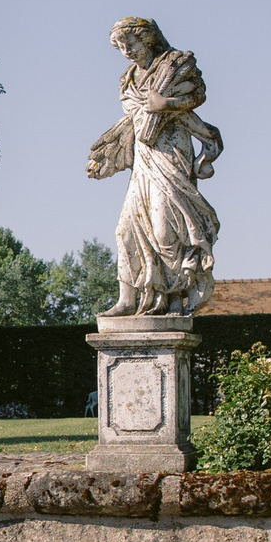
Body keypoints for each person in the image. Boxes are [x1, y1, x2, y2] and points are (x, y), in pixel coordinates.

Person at [85, 16, 221, 317]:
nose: (126, 50)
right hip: (143, 159)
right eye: (121, 46)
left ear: (146, 38)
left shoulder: (171, 66)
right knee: (125, 230)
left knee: (165, 232)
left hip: (171, 152)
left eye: (130, 43)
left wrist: (166, 105)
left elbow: (196, 97)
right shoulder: (128, 78)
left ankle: (175, 298)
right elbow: (133, 121)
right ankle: (127, 300)